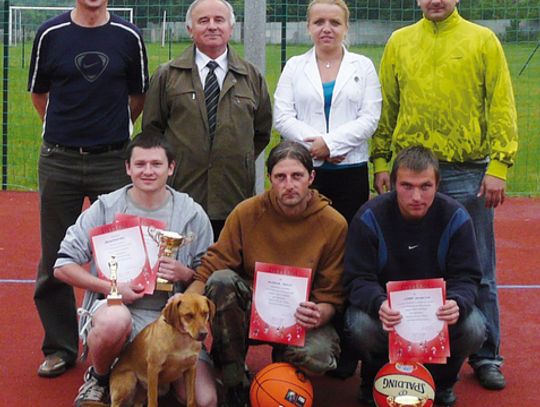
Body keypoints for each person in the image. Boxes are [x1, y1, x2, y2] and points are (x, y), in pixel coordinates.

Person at [370, 0, 518, 390]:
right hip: (410, 169)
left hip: (466, 171)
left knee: (479, 267)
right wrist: (381, 159)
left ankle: (486, 355)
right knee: (403, 261)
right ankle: (402, 346)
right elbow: (388, 104)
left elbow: (501, 102)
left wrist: (499, 165)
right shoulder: (399, 41)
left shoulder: (482, 40)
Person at [28, 0, 149, 378]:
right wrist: (66, 132)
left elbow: (138, 96)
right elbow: (39, 94)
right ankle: (61, 347)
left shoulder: (129, 37)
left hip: (112, 161)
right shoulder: (50, 34)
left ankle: (116, 342)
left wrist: (109, 133)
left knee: (121, 256)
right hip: (59, 161)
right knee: (55, 257)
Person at [53, 131, 216, 407]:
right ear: (128, 168)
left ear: (171, 168)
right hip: (121, 311)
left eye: (156, 164)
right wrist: (113, 288)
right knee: (115, 320)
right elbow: (62, 266)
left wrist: (185, 275)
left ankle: (159, 379)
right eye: (140, 164)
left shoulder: (191, 213)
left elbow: (208, 271)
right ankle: (100, 377)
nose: (148, 171)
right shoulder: (105, 207)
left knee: (206, 400)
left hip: (174, 321)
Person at [186, 140, 348, 406]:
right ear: (270, 178)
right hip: (252, 308)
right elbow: (211, 267)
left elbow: (332, 294)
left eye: (297, 176)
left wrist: (321, 313)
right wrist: (185, 301)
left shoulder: (333, 224)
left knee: (318, 356)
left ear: (312, 177)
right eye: (280, 177)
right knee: (222, 281)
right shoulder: (247, 212)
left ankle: (282, 371)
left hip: (300, 316)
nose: (289, 184)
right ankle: (234, 378)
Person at [343, 146, 486, 406]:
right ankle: (374, 380)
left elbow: (467, 276)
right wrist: (378, 303)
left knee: (474, 326)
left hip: (435, 314)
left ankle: (441, 384)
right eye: (407, 186)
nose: (416, 196)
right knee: (359, 325)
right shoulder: (369, 217)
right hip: (387, 313)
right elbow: (356, 277)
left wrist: (457, 302)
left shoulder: (456, 217)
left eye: (425, 186)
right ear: (392, 183)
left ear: (437, 185)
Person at [142, 0, 272, 241]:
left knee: (229, 270)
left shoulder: (251, 76)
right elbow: (152, 130)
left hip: (233, 193)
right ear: (190, 29)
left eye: (219, 20)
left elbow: (262, 131)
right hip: (182, 192)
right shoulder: (167, 75)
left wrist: (235, 158)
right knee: (178, 267)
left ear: (231, 28)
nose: (212, 26)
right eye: (203, 21)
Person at [274, 0, 381, 224]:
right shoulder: (294, 66)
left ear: (346, 27)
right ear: (308, 27)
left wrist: (331, 144)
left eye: (335, 22)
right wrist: (317, 148)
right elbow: (283, 117)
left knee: (348, 237)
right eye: (319, 22)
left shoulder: (363, 66)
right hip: (306, 169)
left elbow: (370, 118)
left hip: (351, 168)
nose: (326, 28)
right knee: (306, 238)